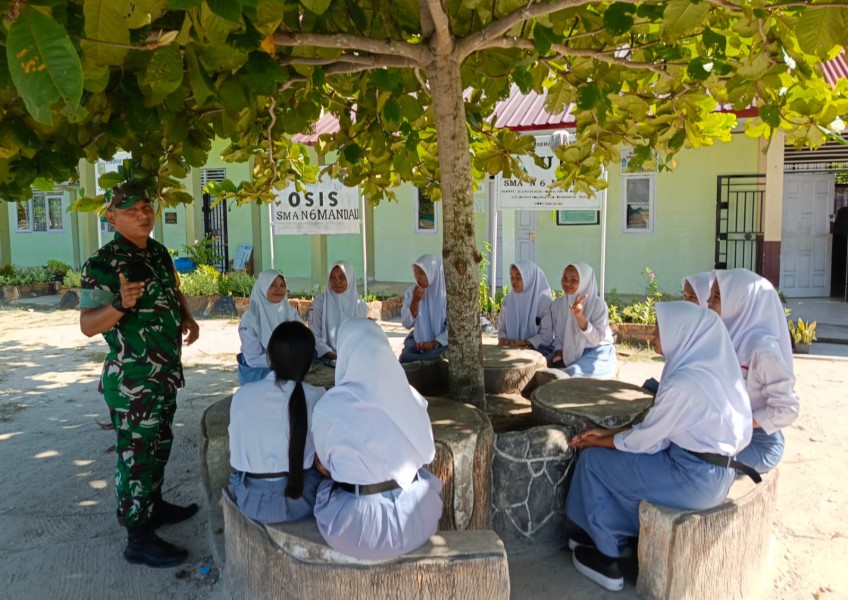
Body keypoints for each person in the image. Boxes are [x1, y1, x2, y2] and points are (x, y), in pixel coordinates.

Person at [565, 302, 754, 592]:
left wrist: (598, 441)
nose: (653, 333)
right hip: (717, 472)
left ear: (681, 334)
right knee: (615, 461)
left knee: (593, 462)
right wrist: (607, 433)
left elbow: (648, 441)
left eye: (660, 328)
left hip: (693, 477)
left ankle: (608, 559)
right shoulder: (712, 372)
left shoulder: (684, 383)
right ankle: (609, 534)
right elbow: (661, 431)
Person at [79, 183, 200, 568]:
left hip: (164, 375)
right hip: (133, 382)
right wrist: (120, 303)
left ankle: (154, 506)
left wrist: (187, 316)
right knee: (135, 458)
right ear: (111, 218)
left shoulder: (159, 253)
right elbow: (88, 325)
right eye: (131, 210)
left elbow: (173, 290)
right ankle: (138, 537)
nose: (143, 214)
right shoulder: (102, 264)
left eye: (146, 206)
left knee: (159, 445)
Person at [311, 318, 444, 560]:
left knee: (322, 483)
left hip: (358, 532)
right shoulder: (411, 397)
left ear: (345, 354)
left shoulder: (328, 407)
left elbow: (327, 466)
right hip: (417, 521)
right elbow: (426, 453)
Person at [229, 321, 326, 523]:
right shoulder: (318, 396)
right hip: (302, 500)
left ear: (269, 356)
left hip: (250, 501)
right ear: (309, 363)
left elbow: (236, 453)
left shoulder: (242, 395)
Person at [708, 268, 799, 474]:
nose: (708, 302)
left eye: (717, 297)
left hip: (759, 441)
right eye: (710, 295)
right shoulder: (725, 336)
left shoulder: (763, 349)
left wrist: (740, 422)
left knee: (702, 465)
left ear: (741, 302)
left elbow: (788, 409)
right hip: (726, 430)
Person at [548, 262, 617, 378]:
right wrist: (559, 352)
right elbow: (558, 336)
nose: (567, 283)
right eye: (565, 278)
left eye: (573, 280)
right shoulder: (558, 305)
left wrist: (579, 317)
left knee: (572, 375)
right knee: (542, 367)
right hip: (569, 350)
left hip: (596, 351)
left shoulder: (598, 305)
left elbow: (596, 339)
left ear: (584, 282)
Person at [237, 269, 300, 385]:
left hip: (288, 370)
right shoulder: (250, 319)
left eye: (282, 285)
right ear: (262, 287)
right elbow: (253, 359)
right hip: (258, 374)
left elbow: (300, 342)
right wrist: (284, 358)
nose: (279, 289)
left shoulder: (291, 313)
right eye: (273, 285)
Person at [308, 260, 368, 366]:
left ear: (350, 279)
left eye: (342, 277)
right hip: (323, 359)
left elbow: (361, 338)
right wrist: (330, 354)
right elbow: (313, 334)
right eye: (332, 277)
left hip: (353, 359)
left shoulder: (360, 306)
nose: (337, 281)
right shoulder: (319, 303)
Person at [399, 254, 448, 363]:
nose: (418, 277)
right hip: (418, 340)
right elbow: (406, 324)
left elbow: (452, 329)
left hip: (441, 343)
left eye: (422, 273)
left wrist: (434, 343)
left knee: (437, 361)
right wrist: (415, 302)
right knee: (405, 358)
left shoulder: (446, 295)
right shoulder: (412, 292)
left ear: (433, 272)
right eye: (415, 273)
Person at [498, 260, 554, 352]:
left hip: (539, 350)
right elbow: (502, 326)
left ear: (530, 278)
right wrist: (503, 338)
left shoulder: (545, 302)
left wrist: (526, 343)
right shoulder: (508, 300)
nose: (514, 281)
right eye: (512, 277)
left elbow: (547, 335)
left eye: (518, 277)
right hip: (511, 349)